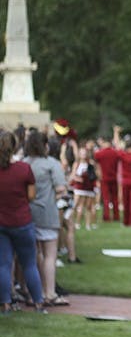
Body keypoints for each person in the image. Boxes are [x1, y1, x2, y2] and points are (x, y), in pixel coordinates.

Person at [0, 131, 45, 313]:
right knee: (29, 264)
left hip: (1, 222)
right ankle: (38, 303)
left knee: (4, 264)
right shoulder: (24, 169)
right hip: (22, 221)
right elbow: (31, 196)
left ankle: (6, 303)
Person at [23, 131, 69, 306]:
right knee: (50, 254)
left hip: (26, 213)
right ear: (45, 145)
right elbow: (60, 188)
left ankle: (32, 292)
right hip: (47, 212)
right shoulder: (51, 164)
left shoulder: (23, 163)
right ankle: (49, 292)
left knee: (32, 256)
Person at [94, 135, 120, 222]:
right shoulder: (115, 153)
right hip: (114, 177)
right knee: (115, 198)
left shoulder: (99, 153)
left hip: (104, 178)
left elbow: (97, 165)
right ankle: (116, 216)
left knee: (106, 198)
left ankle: (106, 216)